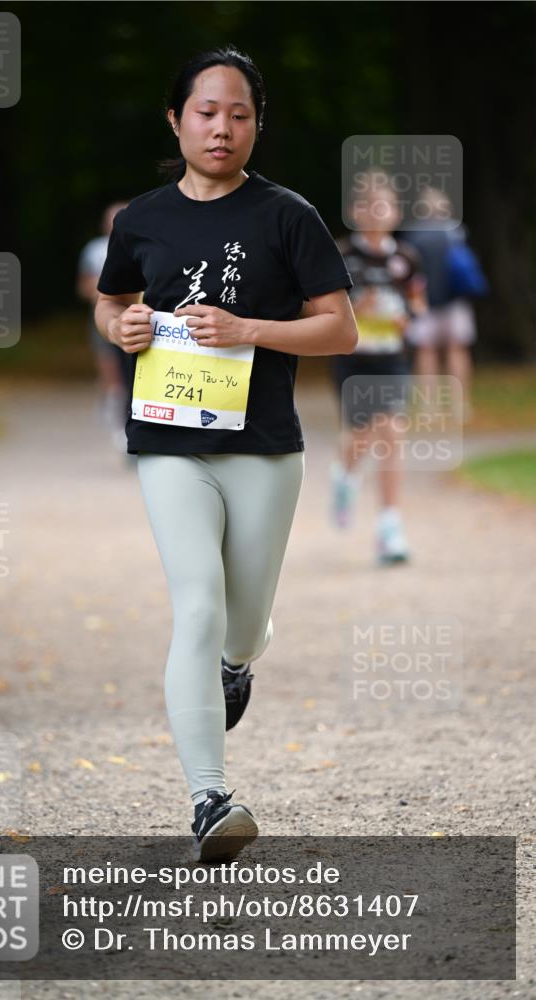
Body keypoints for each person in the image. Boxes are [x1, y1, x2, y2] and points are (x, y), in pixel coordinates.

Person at [94, 47, 357, 862]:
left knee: (238, 627)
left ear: (255, 126)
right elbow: (112, 304)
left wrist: (249, 330)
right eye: (206, 112)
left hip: (264, 448)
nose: (221, 127)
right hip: (170, 442)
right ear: (176, 121)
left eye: (238, 114)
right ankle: (209, 799)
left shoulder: (287, 215)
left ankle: (240, 663)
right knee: (196, 606)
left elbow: (340, 328)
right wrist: (123, 327)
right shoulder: (140, 219)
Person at [330, 173, 427, 564]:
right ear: (354, 212)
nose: (374, 213)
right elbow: (322, 311)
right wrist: (356, 311)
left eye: (382, 205)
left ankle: (390, 528)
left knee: (391, 432)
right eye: (367, 206)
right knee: (362, 436)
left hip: (392, 359)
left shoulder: (406, 258)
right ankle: (344, 476)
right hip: (352, 360)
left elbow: (420, 304)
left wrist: (408, 317)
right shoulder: (340, 256)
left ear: (395, 212)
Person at [399, 186, 485, 425]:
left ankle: (429, 407)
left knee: (426, 351)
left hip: (425, 303)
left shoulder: (413, 236)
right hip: (456, 302)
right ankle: (460, 405)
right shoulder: (456, 232)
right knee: (458, 350)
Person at [77, 202, 132, 449]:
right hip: (105, 318)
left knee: (130, 375)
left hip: (136, 319)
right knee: (111, 371)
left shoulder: (141, 244)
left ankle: (124, 418)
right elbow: (84, 286)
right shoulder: (95, 250)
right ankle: (116, 418)